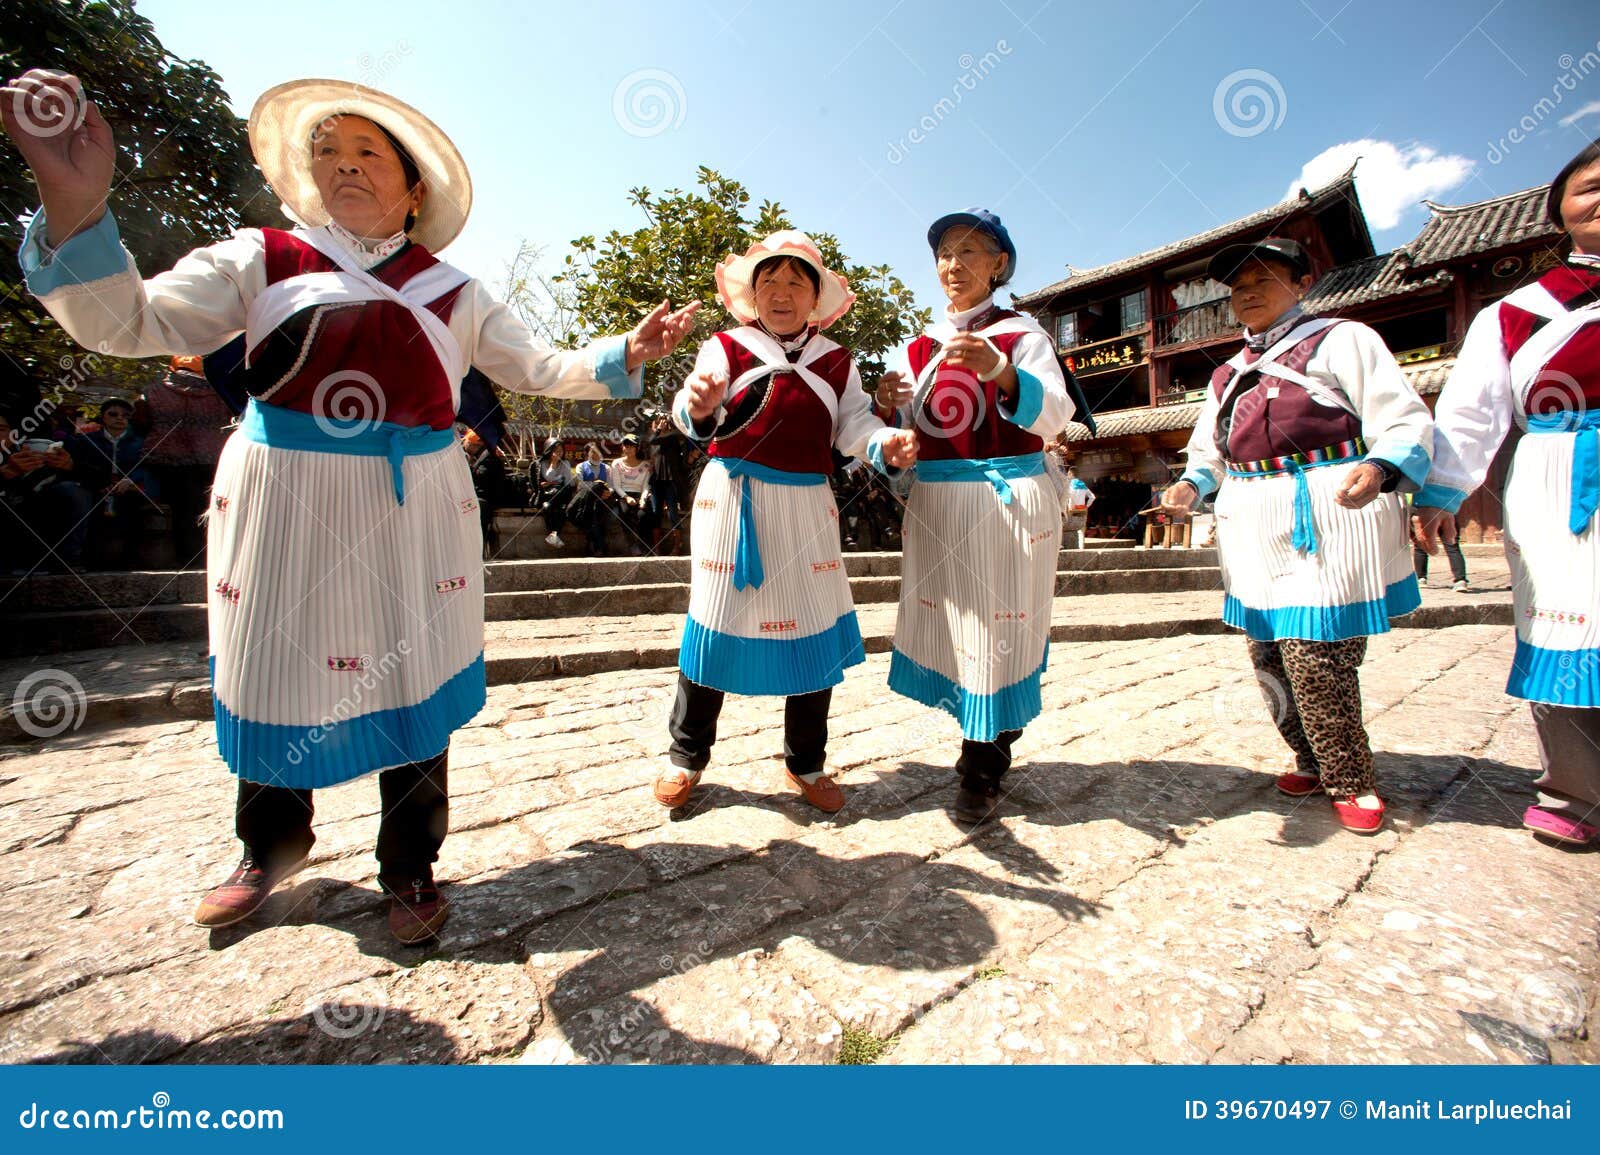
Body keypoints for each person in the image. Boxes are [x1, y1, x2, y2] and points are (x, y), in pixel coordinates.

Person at [4, 71, 697, 942]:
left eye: (369, 150)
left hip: (417, 509)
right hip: (285, 498)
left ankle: (409, 865)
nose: (344, 164)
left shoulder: (456, 290)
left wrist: (626, 349)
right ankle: (268, 850)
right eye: (326, 149)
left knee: (411, 670)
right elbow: (134, 323)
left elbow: (538, 367)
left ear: (414, 189)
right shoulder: (259, 257)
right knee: (276, 664)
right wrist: (75, 205)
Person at [1160, 236, 1433, 835]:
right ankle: (1310, 757)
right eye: (1237, 287)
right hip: (1254, 514)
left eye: (1264, 279)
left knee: (1318, 651)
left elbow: (1403, 416)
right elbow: (1209, 450)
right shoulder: (1230, 373)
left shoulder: (1345, 339)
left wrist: (1382, 466)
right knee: (1267, 654)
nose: (1247, 293)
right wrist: (1188, 487)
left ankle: (1351, 775)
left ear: (1302, 283)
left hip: (1328, 505)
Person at [658, 231, 917, 813]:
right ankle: (685, 756)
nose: (781, 292)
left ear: (815, 298)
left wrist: (884, 444)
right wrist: (698, 405)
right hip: (733, 502)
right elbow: (693, 407)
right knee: (714, 622)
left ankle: (807, 763)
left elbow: (853, 427)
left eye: (796, 282)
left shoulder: (836, 360)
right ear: (752, 294)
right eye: (769, 281)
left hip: (807, 506)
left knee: (812, 628)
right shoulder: (726, 346)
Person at [1414, 142, 1600, 847]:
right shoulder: (1518, 311)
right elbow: (1470, 411)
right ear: (1559, 210)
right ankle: (1576, 790)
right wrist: (1441, 491)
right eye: (1590, 188)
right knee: (1565, 621)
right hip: (1561, 468)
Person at [875, 209, 1074, 824]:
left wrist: (1002, 372)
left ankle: (982, 769)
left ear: (999, 266)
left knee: (998, 636)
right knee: (958, 634)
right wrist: (889, 419)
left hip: (1003, 506)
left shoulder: (1023, 336)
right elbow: (904, 434)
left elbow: (1055, 416)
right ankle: (977, 746)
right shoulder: (919, 349)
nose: (954, 264)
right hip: (937, 509)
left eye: (970, 252)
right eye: (944, 254)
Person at [140, 355, 235, 566]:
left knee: (174, 508)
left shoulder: (153, 392)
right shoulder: (219, 393)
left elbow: (140, 424)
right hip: (209, 460)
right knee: (204, 508)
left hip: (165, 461)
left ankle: (172, 557)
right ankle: (202, 558)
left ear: (173, 368)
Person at [58, 397, 158, 569]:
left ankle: (130, 558)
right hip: (95, 488)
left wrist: (130, 480)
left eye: (125, 416)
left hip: (127, 489)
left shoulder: (140, 443)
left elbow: (147, 467)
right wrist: (98, 482)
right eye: (113, 414)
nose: (120, 418)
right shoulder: (86, 441)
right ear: (103, 417)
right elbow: (79, 467)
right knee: (85, 506)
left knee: (135, 505)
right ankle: (78, 557)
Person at [0, 410, 78, 574]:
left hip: (26, 539)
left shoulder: (23, 455)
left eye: (1, 429)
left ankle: (58, 560)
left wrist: (69, 467)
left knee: (62, 493)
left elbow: (99, 477)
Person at [646, 412, 691, 553]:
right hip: (656, 482)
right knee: (655, 513)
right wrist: (657, 430)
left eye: (665, 421)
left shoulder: (673, 437)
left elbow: (654, 440)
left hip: (670, 482)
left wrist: (663, 427)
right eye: (660, 421)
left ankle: (677, 546)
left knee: (673, 513)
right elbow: (651, 442)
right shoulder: (654, 441)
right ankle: (656, 548)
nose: (662, 423)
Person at [1408, 493, 1467, 591]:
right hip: (1448, 509)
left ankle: (1421, 578)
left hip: (1424, 510)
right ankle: (1460, 580)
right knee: (1452, 546)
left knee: (1421, 545)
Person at [463, 426, 506, 559]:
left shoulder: (489, 456)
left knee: (472, 510)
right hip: (477, 497)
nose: (470, 447)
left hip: (486, 499)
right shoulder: (478, 455)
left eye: (474, 445)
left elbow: (483, 479)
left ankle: (476, 553)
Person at [610, 433, 654, 555]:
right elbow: (617, 485)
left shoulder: (645, 465)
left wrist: (643, 499)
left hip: (640, 495)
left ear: (637, 448)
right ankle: (632, 545)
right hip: (623, 494)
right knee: (624, 512)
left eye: (631, 446)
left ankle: (644, 545)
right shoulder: (616, 463)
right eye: (625, 446)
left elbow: (646, 485)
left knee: (643, 515)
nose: (628, 449)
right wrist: (626, 497)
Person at [572, 442, 614, 555]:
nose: (595, 454)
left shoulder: (606, 468)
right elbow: (581, 484)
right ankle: (600, 546)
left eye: (597, 452)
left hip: (603, 500)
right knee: (592, 513)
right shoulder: (581, 467)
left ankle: (592, 545)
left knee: (599, 513)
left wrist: (609, 492)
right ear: (587, 453)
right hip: (586, 500)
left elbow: (611, 485)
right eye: (592, 452)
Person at [534, 440, 576, 547]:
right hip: (547, 496)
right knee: (548, 507)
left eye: (561, 451)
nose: (559, 453)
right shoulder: (542, 464)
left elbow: (568, 482)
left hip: (562, 494)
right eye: (556, 451)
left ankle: (553, 535)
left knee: (562, 508)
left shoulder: (565, 463)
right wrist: (553, 464)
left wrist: (550, 483)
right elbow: (548, 476)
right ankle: (554, 535)